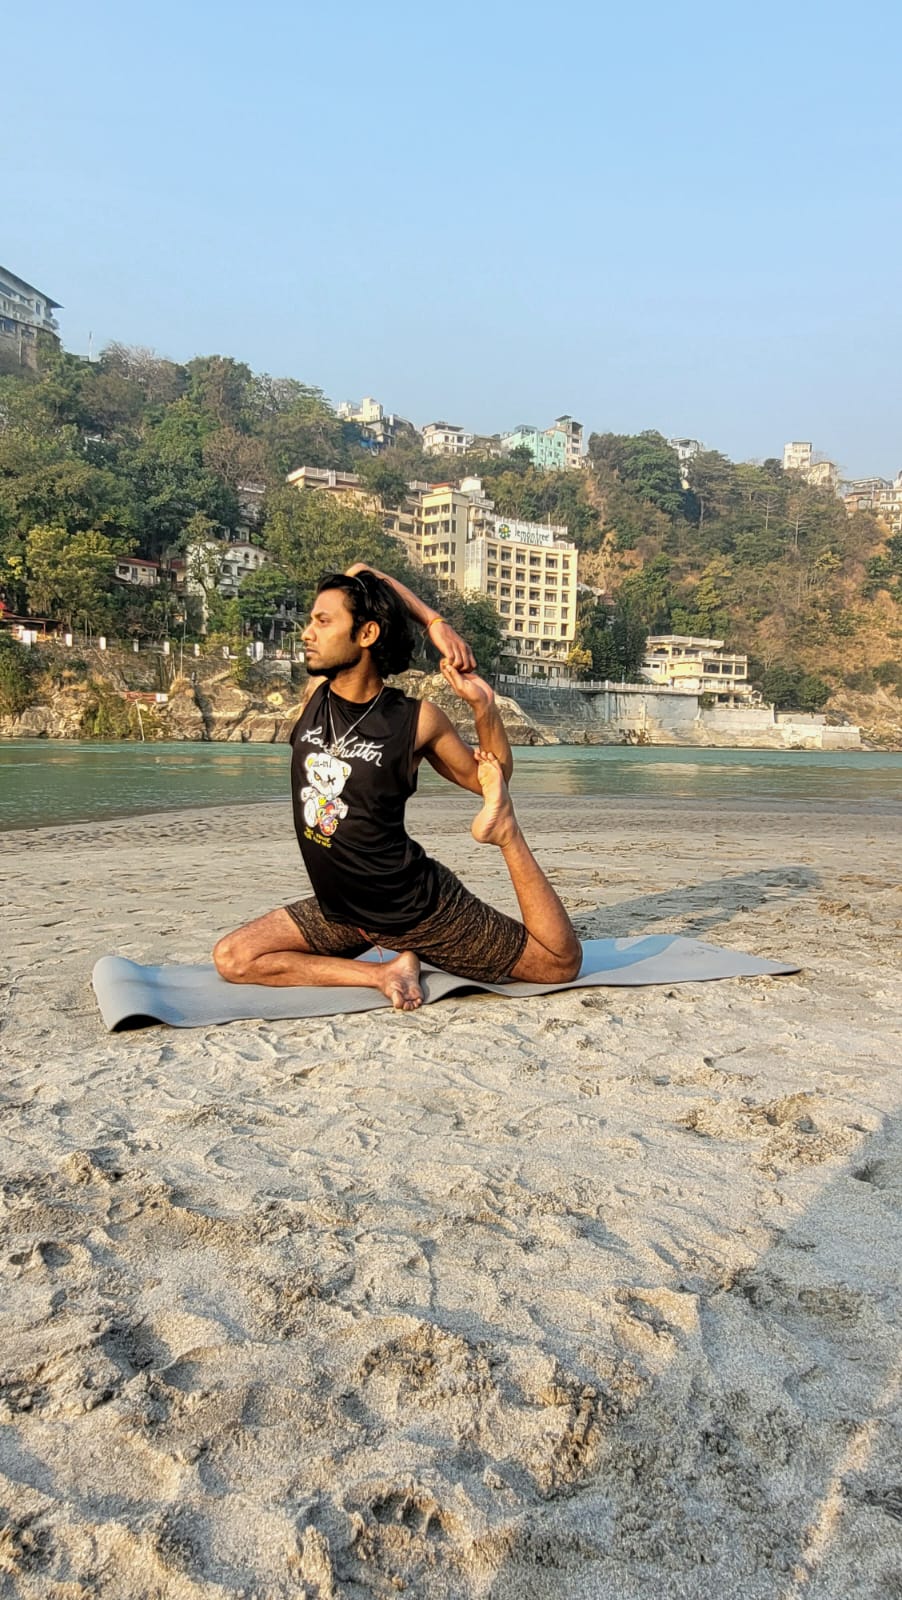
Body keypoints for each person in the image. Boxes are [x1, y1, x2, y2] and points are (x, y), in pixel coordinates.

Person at [213, 563, 582, 1010]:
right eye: (311, 620)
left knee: (559, 963)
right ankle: (384, 971)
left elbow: (493, 779)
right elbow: (359, 571)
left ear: (367, 634)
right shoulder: (315, 696)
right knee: (233, 958)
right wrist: (433, 620)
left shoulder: (415, 720)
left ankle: (508, 834)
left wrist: (483, 707)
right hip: (343, 912)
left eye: (323, 621)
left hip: (415, 909)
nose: (307, 633)